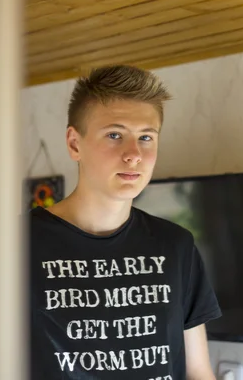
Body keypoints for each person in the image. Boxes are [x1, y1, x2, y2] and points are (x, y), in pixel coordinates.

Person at [25, 65, 221, 379]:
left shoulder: (175, 245)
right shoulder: (18, 244)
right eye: (115, 135)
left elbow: (198, 371)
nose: (134, 154)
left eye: (146, 137)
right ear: (75, 144)